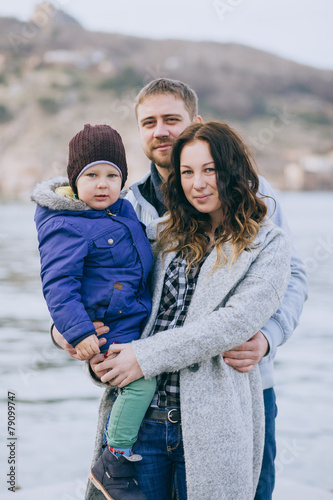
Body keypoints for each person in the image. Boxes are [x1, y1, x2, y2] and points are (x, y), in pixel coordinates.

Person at [52, 78, 307, 499]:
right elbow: (92, 279)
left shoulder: (262, 205)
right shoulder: (128, 208)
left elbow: (288, 279)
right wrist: (68, 328)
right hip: (144, 396)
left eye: (172, 119)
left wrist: (268, 336)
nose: (161, 131)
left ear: (195, 125)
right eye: (149, 122)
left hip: (232, 391)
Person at [32, 124, 156, 500]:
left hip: (131, 320)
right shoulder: (66, 224)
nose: (102, 184)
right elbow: (59, 284)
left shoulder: (123, 212)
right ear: (74, 180)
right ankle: (113, 459)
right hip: (105, 327)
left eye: (112, 175)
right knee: (141, 384)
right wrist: (76, 332)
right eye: (91, 175)